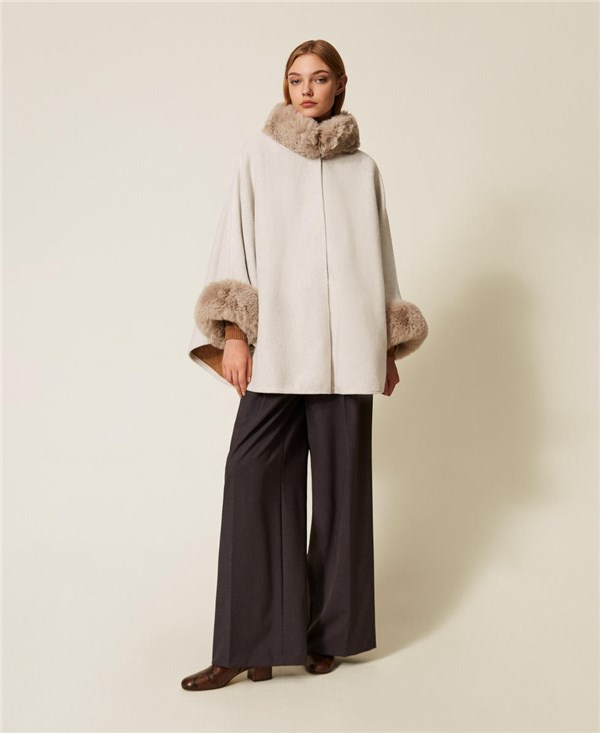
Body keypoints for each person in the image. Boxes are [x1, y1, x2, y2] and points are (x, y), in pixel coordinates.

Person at [181, 39, 428, 691]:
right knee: (252, 478)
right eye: (296, 80)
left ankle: (327, 636)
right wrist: (235, 334)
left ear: (340, 84)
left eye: (319, 79)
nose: (307, 90)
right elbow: (235, 241)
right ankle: (248, 644)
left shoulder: (363, 169)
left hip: (349, 354)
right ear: (286, 86)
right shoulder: (258, 156)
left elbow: (381, 257)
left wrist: (385, 348)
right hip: (281, 347)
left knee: (344, 496)